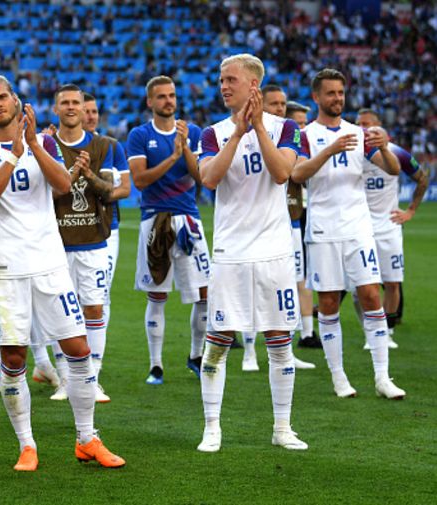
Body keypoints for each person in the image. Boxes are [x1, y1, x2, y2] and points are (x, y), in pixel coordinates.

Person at [0, 74, 124, 471]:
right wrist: (15, 154)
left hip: (50, 262)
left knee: (78, 349)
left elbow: (64, 184)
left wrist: (32, 144)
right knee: (13, 356)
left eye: (3, 97)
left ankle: (87, 438)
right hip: (6, 268)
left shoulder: (45, 142)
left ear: (16, 101)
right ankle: (27, 445)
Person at [196, 54, 307, 453]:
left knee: (280, 341)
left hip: (275, 251)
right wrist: (238, 133)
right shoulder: (212, 132)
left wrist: (258, 126)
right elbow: (208, 178)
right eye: (221, 79)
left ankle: (282, 428)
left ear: (253, 85)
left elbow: (283, 174)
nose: (223, 86)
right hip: (230, 252)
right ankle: (212, 428)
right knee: (218, 342)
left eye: (230, 80)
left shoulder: (288, 128)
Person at [292, 69, 405, 400]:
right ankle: (339, 376)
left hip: (358, 228)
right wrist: (329, 150)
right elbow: (297, 173)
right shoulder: (306, 135)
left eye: (341, 93)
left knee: (371, 294)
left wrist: (384, 148)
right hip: (324, 229)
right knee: (328, 302)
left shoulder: (358, 133)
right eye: (330, 93)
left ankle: (383, 377)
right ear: (316, 97)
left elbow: (394, 169)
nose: (337, 98)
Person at [127, 75, 208, 384]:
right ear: (150, 101)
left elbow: (201, 176)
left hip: (189, 218)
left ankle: (196, 355)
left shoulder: (193, 132)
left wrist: (184, 148)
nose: (168, 101)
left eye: (172, 95)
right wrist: (172, 156)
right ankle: (156, 365)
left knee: (204, 294)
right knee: (157, 294)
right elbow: (140, 180)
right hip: (154, 219)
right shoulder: (139, 135)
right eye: (161, 97)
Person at [237, 84, 315, 373]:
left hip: (290, 223)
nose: (281, 108)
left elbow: (294, 171)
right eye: (275, 103)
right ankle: (248, 351)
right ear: (259, 103)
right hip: (252, 225)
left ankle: (287, 349)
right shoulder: (245, 135)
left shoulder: (291, 134)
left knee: (289, 288)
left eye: (283, 103)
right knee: (250, 289)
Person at [48, 84, 115, 403]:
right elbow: (47, 194)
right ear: (56, 109)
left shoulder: (104, 145)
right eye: (65, 103)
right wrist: (74, 172)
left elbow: (115, 191)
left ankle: (92, 379)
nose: (71, 107)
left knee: (93, 308)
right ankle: (65, 379)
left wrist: (88, 174)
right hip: (55, 244)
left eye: (76, 102)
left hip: (92, 243)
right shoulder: (45, 145)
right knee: (60, 313)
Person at [356, 108, 428, 346]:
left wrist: (411, 211)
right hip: (360, 227)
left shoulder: (397, 153)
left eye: (368, 124)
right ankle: (370, 330)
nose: (363, 128)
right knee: (361, 285)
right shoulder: (352, 151)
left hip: (389, 226)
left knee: (392, 282)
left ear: (380, 128)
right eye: (359, 124)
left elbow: (422, 178)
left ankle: (386, 331)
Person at [82, 91, 131, 393]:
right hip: (67, 233)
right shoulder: (57, 146)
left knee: (100, 299)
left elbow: (121, 189)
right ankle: (61, 368)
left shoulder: (110, 146)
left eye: (94, 111)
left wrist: (103, 187)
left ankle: (92, 373)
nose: (90, 115)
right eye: (85, 110)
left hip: (106, 230)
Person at [284, 100, 322, 349]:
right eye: (298, 123)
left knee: (302, 276)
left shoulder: (306, 146)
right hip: (275, 221)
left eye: (304, 122)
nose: (303, 127)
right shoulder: (281, 146)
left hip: (299, 218)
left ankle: (307, 333)